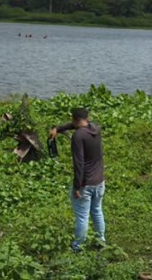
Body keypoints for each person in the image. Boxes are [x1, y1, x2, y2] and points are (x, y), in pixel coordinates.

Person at [49, 107, 106, 252]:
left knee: (82, 217)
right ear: (88, 118)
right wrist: (59, 129)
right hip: (100, 181)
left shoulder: (78, 136)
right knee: (97, 211)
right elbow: (76, 124)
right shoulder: (95, 128)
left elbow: (79, 164)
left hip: (85, 183)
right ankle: (101, 241)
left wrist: (76, 187)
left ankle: (78, 247)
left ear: (73, 118)